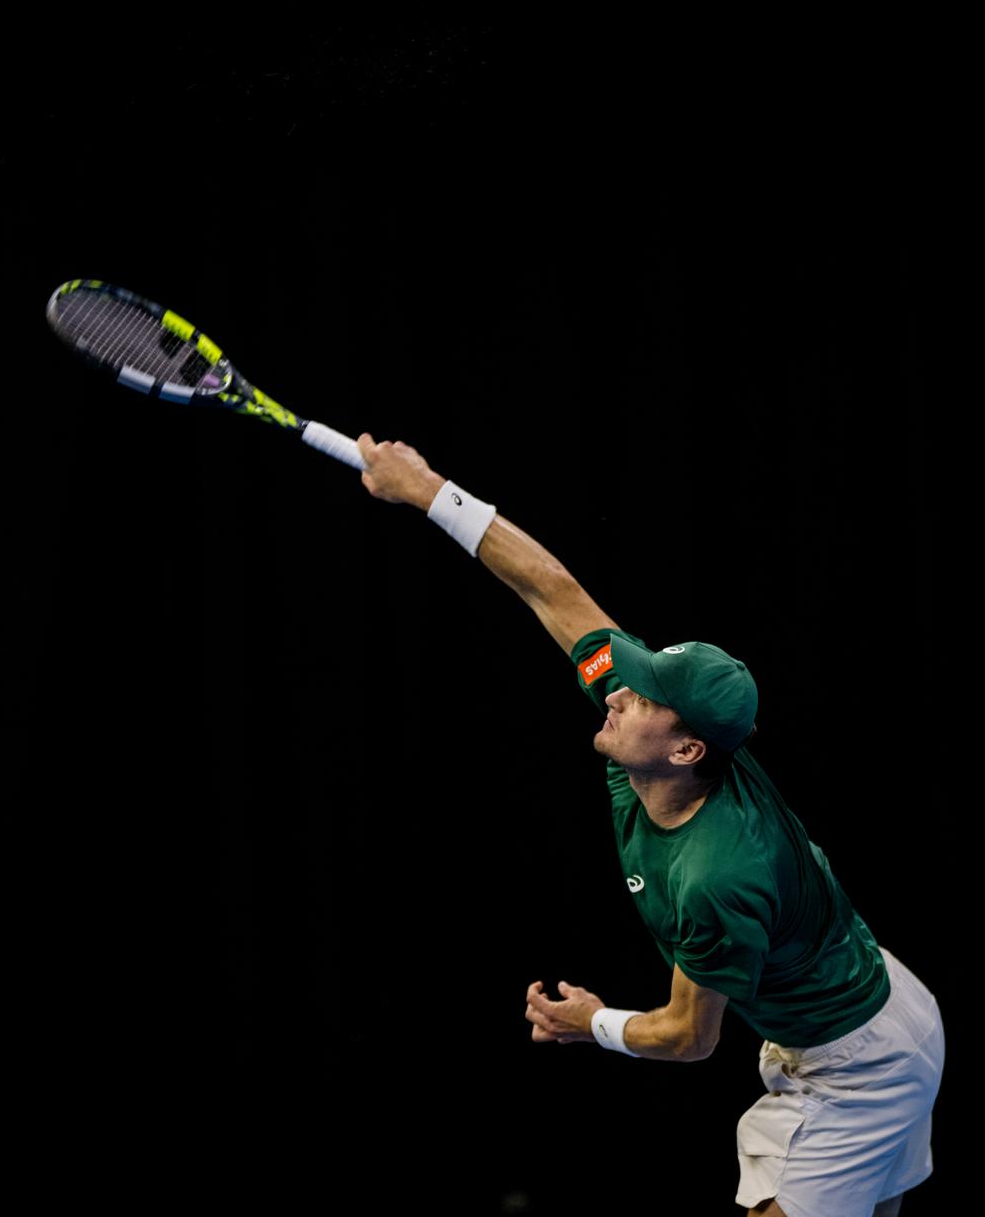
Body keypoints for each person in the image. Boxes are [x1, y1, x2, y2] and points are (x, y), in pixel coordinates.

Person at [354, 433, 945, 1217]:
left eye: (644, 695)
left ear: (686, 748)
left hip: (861, 1067)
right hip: (874, 1007)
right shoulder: (654, 747)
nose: (618, 691)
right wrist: (428, 489)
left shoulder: (716, 875)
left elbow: (689, 1037)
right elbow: (552, 590)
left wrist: (591, 1023)